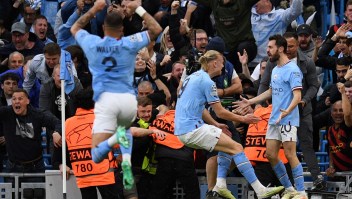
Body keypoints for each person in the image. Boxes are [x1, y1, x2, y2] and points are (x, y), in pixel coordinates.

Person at [70, 0, 162, 190]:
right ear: (122, 29)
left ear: (103, 27)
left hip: (107, 100)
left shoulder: (93, 43)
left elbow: (75, 27)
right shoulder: (129, 42)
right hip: (129, 100)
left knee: (96, 154)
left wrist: (95, 9)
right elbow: (156, 29)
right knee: (124, 129)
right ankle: (126, 159)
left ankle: (116, 140)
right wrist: (137, 8)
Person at [175, 50, 284, 199]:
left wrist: (215, 124)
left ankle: (220, 185)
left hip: (184, 129)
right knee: (237, 148)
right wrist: (244, 119)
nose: (223, 68)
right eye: (222, 64)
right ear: (214, 63)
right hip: (192, 129)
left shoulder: (193, 77)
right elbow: (220, 112)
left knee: (227, 143)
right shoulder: (207, 82)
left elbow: (201, 110)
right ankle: (260, 190)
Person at [235, 34, 307, 199]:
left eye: (270, 47)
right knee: (271, 155)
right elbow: (271, 91)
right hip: (275, 119)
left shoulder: (293, 69)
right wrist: (250, 102)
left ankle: (301, 192)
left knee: (290, 154)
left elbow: (297, 96)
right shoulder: (275, 69)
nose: (267, 50)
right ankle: (289, 189)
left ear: (280, 49)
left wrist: (287, 111)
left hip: (287, 118)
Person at [57, 87, 121, 199]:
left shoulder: (68, 123)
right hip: (104, 173)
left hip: (83, 173)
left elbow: (62, 148)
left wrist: (62, 164)